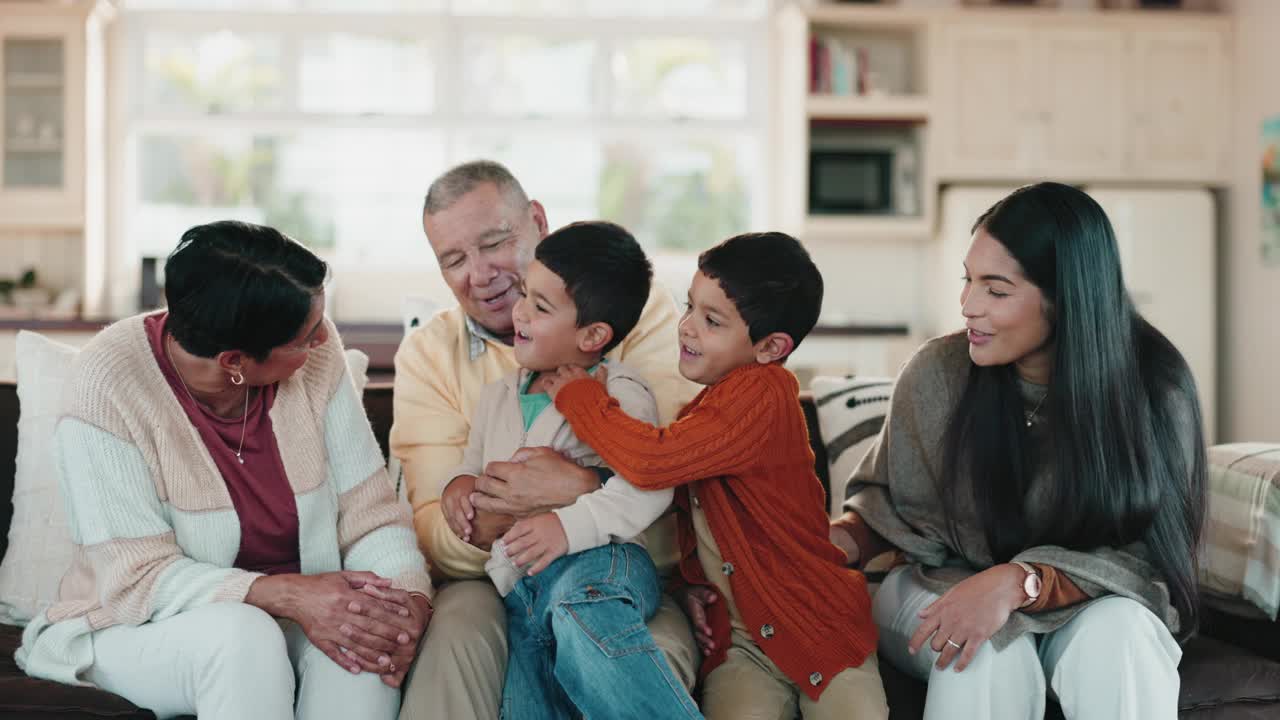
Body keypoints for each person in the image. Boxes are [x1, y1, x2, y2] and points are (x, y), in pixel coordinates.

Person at [16, 221, 433, 720]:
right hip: (135, 626)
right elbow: (136, 579)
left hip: (300, 615)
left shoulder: (316, 358)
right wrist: (285, 595)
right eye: (305, 338)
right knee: (243, 635)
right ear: (235, 361)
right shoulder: (107, 386)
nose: (323, 340)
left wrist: (403, 604)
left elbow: (369, 515)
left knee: (363, 651)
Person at [823, 182, 1206, 719]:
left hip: (1092, 596)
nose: (968, 306)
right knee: (982, 651)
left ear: (1066, 297)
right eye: (968, 280)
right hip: (939, 583)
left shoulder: (1156, 391)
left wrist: (1020, 582)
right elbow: (882, 511)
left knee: (1123, 636)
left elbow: (1153, 566)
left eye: (996, 291)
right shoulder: (936, 375)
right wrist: (834, 542)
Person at [392, 160, 701, 720]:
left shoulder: (628, 314)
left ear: (536, 221)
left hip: (617, 562)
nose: (482, 276)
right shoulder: (446, 363)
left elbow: (671, 476)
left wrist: (579, 493)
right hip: (503, 578)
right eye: (455, 260)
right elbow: (435, 526)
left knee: (602, 633)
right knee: (507, 675)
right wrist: (493, 502)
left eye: (494, 243)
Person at [543, 232, 889, 720]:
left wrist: (581, 398)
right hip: (744, 645)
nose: (686, 328)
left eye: (711, 321)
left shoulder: (760, 395)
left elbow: (650, 462)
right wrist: (691, 584)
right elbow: (702, 516)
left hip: (820, 628)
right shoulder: (710, 407)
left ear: (771, 347)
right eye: (689, 308)